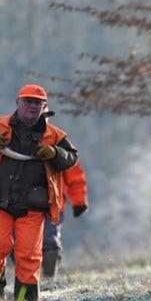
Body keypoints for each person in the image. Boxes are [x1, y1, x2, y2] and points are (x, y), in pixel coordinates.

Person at [0, 84, 78, 301]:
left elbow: (72, 158)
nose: (32, 107)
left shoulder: (55, 136)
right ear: (17, 102)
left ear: (44, 107)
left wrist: (55, 152)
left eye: (37, 103)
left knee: (29, 256)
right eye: (28, 101)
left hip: (33, 205)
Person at [41, 110, 89, 278]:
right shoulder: (15, 138)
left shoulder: (59, 140)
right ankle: (27, 278)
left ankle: (48, 278)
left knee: (50, 242)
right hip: (21, 204)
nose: (42, 120)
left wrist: (79, 201)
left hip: (53, 205)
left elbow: (74, 176)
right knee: (19, 245)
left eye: (45, 117)